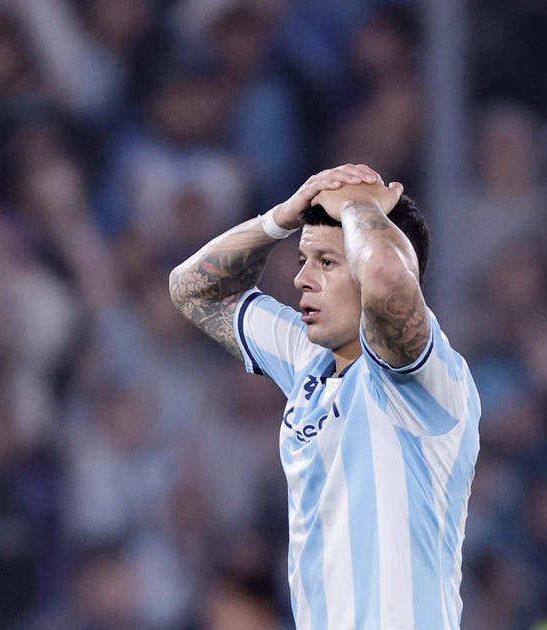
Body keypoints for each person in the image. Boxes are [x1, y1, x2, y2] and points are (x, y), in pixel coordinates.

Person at [169, 163, 480, 629]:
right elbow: (193, 291)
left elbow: (387, 274)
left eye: (327, 263)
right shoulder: (307, 358)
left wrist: (358, 205)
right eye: (303, 260)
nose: (302, 279)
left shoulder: (423, 378)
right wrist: (281, 217)